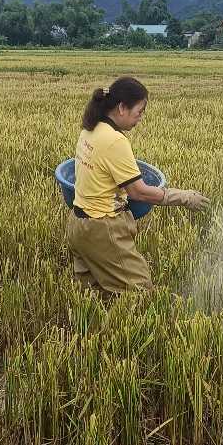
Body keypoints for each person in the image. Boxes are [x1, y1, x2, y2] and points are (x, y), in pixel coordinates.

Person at [67, 76, 210, 294]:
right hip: (102, 229)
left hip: (78, 224)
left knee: (95, 295)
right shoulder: (115, 140)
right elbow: (138, 192)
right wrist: (184, 197)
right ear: (122, 107)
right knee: (140, 294)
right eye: (140, 111)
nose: (141, 118)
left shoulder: (90, 129)